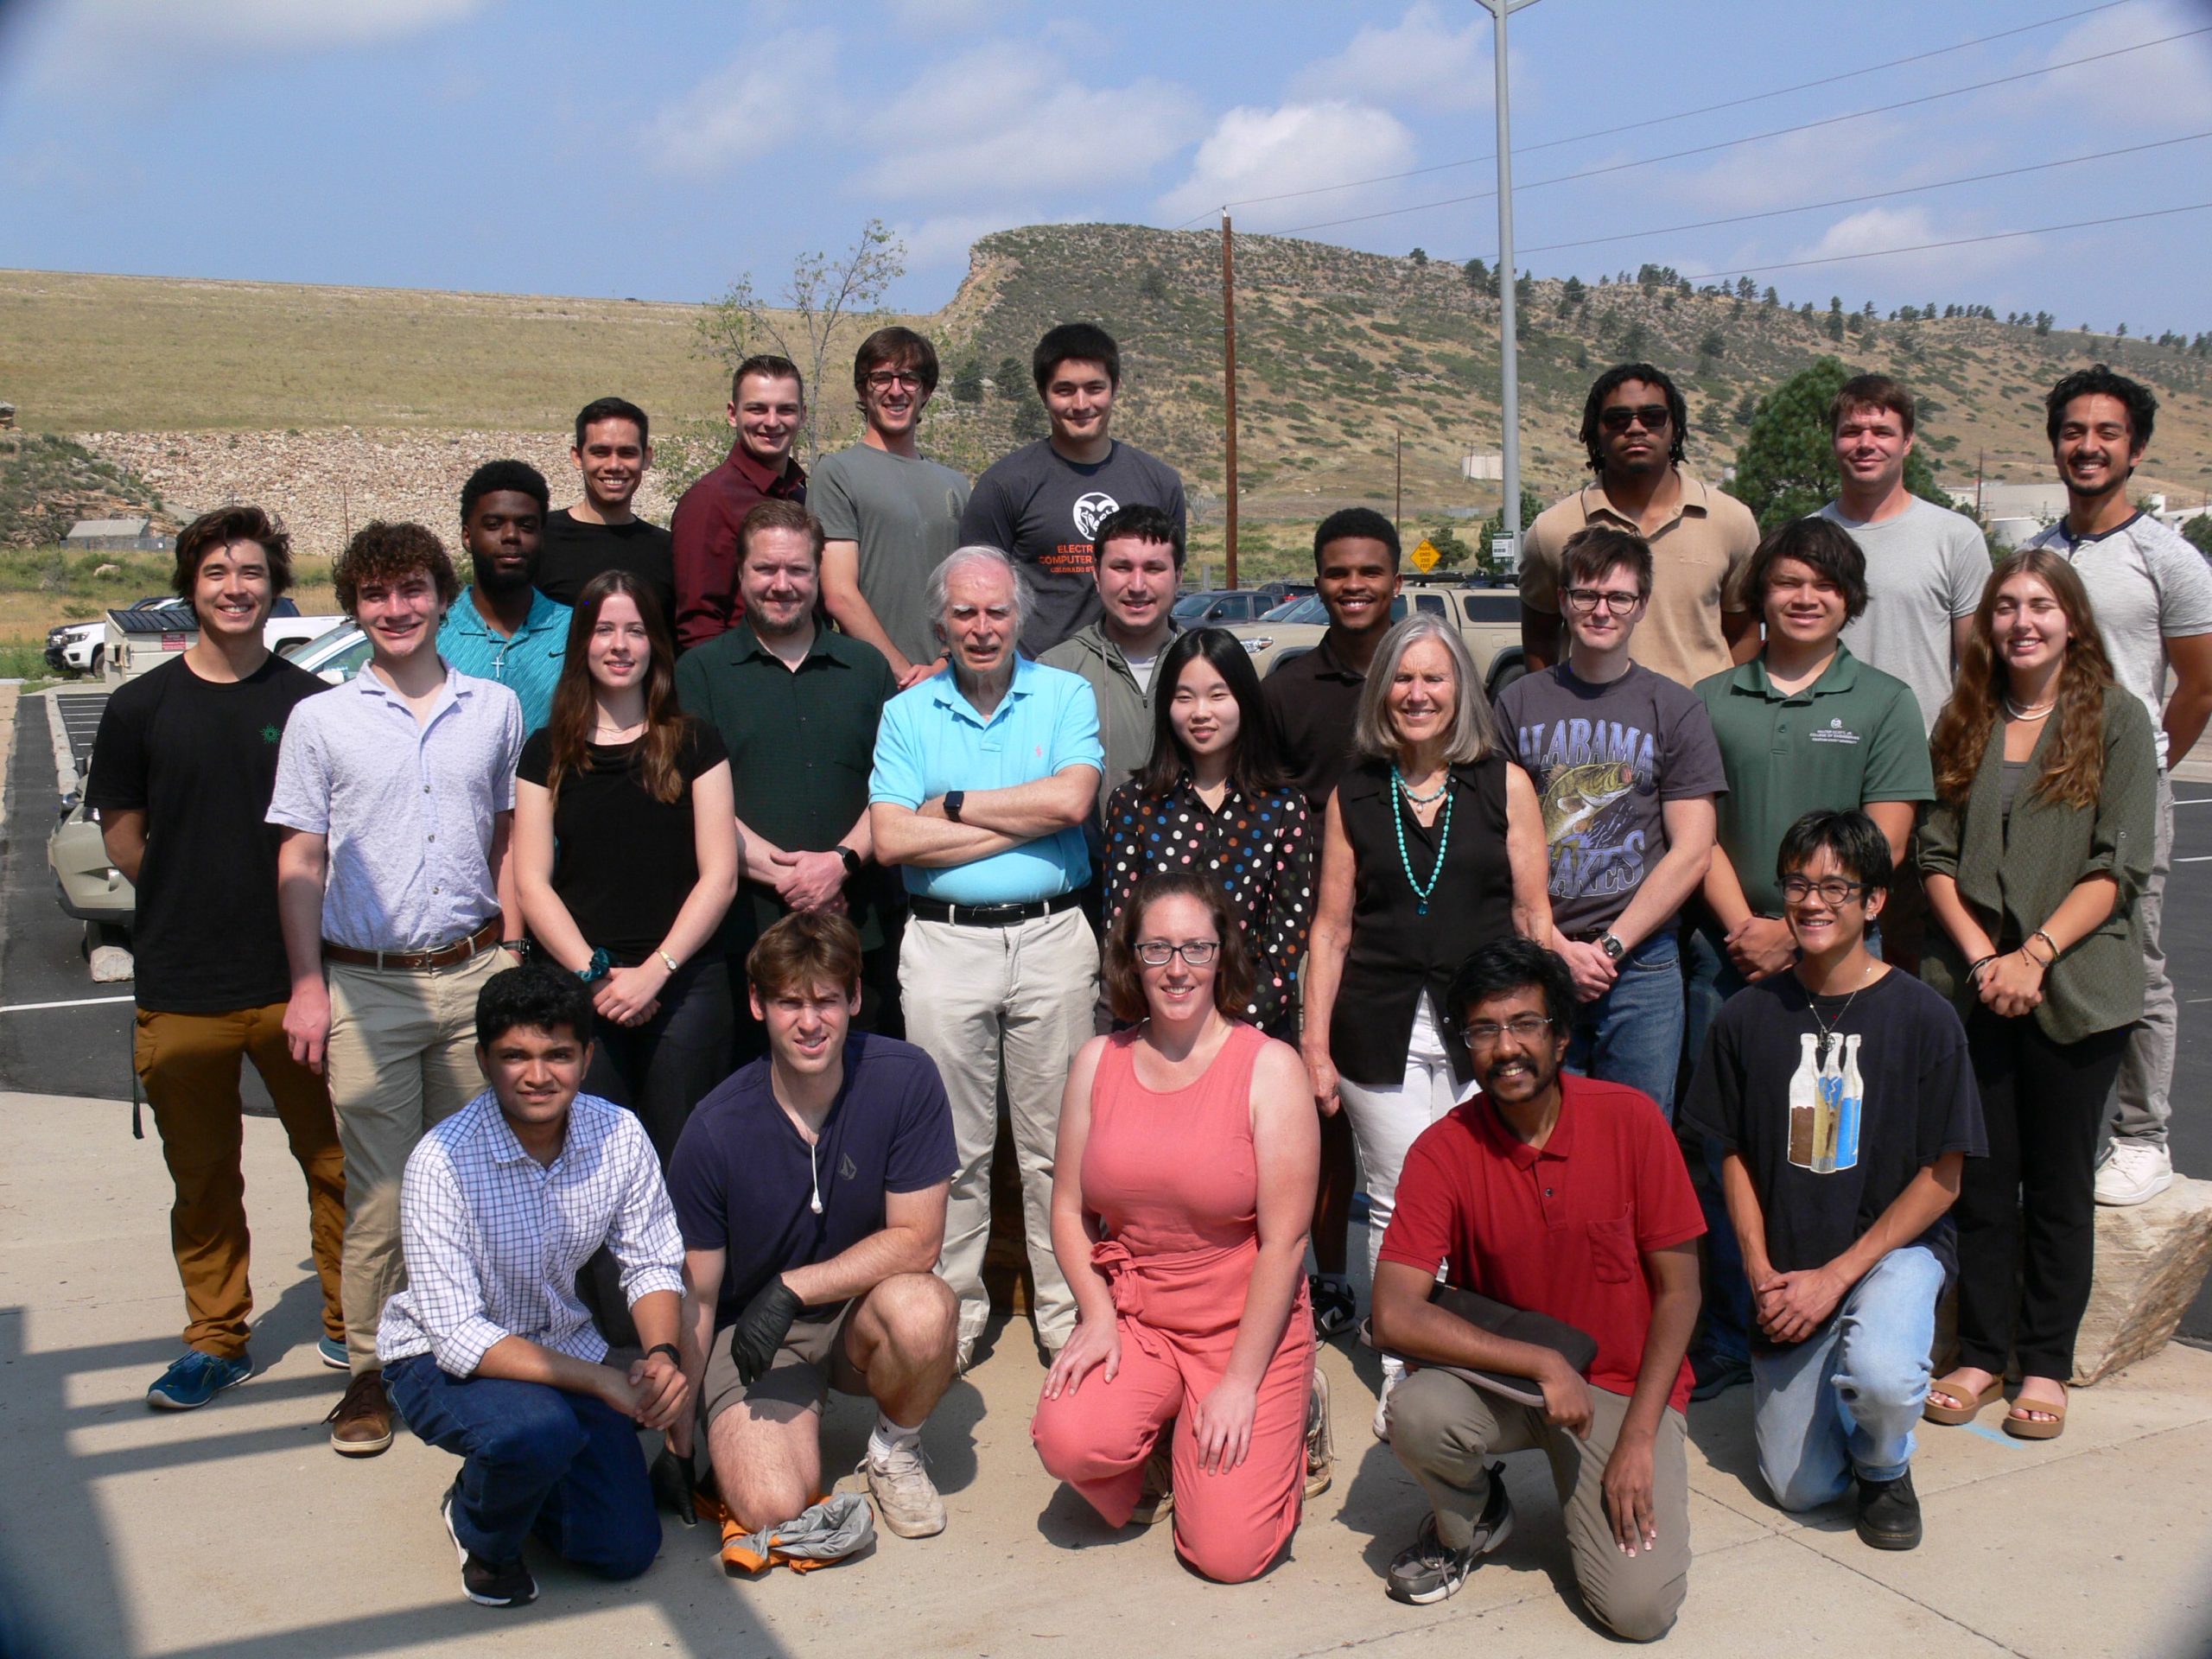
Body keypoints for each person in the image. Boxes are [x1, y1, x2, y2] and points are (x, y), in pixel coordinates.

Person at [269, 520, 526, 1458]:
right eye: (375, 594)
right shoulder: (321, 721)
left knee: (473, 1182)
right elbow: (301, 858)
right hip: (366, 988)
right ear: (353, 607)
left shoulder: (494, 709)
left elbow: (508, 840)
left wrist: (511, 954)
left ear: (442, 598)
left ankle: (467, 1347)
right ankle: (371, 1371)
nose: (395, 608)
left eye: (412, 589)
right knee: (380, 1193)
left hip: (472, 973)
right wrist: (307, 985)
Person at [89, 505, 346, 1408]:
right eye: (216, 573)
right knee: (202, 1180)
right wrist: (190, 893)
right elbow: (124, 837)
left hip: (298, 984)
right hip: (183, 986)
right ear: (189, 587)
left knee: (337, 1163)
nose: (235, 588)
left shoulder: (313, 704)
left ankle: (349, 1321)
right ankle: (216, 1339)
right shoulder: (139, 707)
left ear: (276, 587)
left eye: (251, 573)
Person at [1376, 938, 1701, 1635]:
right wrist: (1542, 1363)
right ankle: (1472, 1520)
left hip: (1620, 1391)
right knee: (1417, 1413)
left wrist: (1640, 1438)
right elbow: (1395, 1313)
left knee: (1638, 1612)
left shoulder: (1631, 1120)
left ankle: (1612, 1471)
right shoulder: (1443, 1150)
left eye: (1525, 1024)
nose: (1506, 1048)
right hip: (1509, 1383)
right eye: (1484, 1030)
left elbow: (1682, 1294)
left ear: (1561, 1035)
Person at [1681, 811, 1984, 1552]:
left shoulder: (1925, 1016)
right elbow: (1730, 1154)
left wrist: (1839, 1276)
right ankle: (1842, 1391)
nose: (1812, 903)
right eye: (1797, 885)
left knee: (1883, 1377)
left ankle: (1885, 1463)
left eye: (1835, 888)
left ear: (1874, 901)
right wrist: (1759, 1269)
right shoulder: (1747, 1016)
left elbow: (1944, 1177)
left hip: (1892, 1254)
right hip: (1790, 1265)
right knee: (1802, 1488)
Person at [1685, 517, 1933, 1396]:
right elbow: (1696, 829)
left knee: (1833, 1146)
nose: (1804, 597)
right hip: (1727, 960)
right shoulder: (1712, 699)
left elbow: (1887, 840)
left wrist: (1797, 930)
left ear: (1850, 600)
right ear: (1760, 592)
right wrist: (1748, 930)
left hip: (1842, 967)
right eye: (1788, 580)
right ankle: (1731, 1327)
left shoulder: (1884, 703)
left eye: (1824, 585)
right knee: (1725, 1149)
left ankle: (1840, 1312)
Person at [1917, 553, 2155, 1440]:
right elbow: (1934, 856)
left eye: (2042, 605)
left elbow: (2119, 863)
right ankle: (1982, 1354)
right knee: (1982, 1182)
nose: (2023, 622)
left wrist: (2037, 953)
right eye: (2007, 606)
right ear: (1987, 623)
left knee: (2056, 1188)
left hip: (2076, 986)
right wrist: (1987, 960)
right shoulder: (1965, 718)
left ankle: (2044, 1363)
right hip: (1975, 987)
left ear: (2073, 621)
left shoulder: (2116, 721)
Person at [1031, 874, 1319, 1585]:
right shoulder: (1098, 1061)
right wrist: (1096, 1314)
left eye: (1196, 947)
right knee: (1068, 1439)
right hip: (1139, 1319)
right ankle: (1164, 1437)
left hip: (1242, 1327)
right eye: (1156, 948)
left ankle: (1295, 1420)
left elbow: (1285, 1242)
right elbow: (1067, 1207)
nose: (1177, 967)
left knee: (1227, 1555)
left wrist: (1241, 1383)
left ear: (1223, 956)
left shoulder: (1269, 1068)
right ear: (1132, 959)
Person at [1300, 614, 1553, 1416]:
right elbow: (1331, 929)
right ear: (1382, 691)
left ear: (1461, 689)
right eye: (1402, 679)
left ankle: (1480, 1353)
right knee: (1401, 1193)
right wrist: (1314, 1045)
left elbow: (1533, 917)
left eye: (1434, 678)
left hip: (1489, 1031)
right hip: (1377, 1028)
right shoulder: (1353, 792)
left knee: (1485, 1193)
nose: (1418, 694)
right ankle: (1405, 1365)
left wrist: (1546, 1030)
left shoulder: (1504, 784)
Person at [378, 964, 689, 1608]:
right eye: (515, 1056)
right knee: (535, 1431)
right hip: (437, 1358)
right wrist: (603, 1380)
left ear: (588, 1058)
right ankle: (479, 1527)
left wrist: (661, 1355)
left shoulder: (618, 1133)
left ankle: (528, 1476)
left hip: (560, 1343)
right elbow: (458, 1336)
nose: (538, 1075)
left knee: (625, 1551)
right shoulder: (441, 1161)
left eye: (559, 1055)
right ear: (483, 1061)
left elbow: (652, 1261)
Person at [868, 545, 1103, 1364]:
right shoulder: (908, 713)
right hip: (944, 943)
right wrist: (1023, 822)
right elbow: (891, 838)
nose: (981, 627)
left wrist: (956, 806)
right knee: (955, 1149)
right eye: (963, 613)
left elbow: (1073, 801)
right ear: (941, 623)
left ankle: (1065, 1316)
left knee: (1056, 1148)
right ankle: (957, 1315)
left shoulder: (1065, 695)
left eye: (996, 611)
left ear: (1019, 617)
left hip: (1053, 938)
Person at [668, 911, 960, 1554]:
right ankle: (761, 1434)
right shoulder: (714, 1129)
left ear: (854, 997)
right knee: (770, 1506)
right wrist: (678, 1439)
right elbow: (699, 1298)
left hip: (859, 1312)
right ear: (757, 1004)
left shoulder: (905, 1078)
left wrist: (794, 1286)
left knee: (926, 1307)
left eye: (826, 1000)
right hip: (755, 1338)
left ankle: (894, 1449)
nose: (810, 1022)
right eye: (789, 1003)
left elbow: (918, 1240)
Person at [2021, 365, 2212, 1207]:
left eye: (2106, 432)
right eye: (2073, 431)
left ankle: (2143, 1137)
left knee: (2137, 958)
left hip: (2124, 791)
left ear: (2134, 449)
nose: (2088, 446)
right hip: (2037, 792)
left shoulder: (2167, 558)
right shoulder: (2037, 555)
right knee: (2040, 948)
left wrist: (2144, 772)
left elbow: (2198, 686)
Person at [1494, 524, 1723, 1116]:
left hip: (1643, 964)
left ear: (1642, 605)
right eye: (1586, 595)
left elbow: (1693, 850)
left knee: (1637, 1129)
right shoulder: (1518, 702)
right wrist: (1554, 945)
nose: (1602, 610)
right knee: (1539, 1124)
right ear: (1563, 600)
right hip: (1539, 954)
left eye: (1619, 597)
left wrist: (1612, 946)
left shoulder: (1675, 707)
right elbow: (1497, 837)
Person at [515, 570, 740, 1164]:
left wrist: (656, 971)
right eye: (604, 630)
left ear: (655, 644)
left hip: (685, 988)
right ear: (582, 644)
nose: (620, 646)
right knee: (589, 1167)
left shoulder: (696, 743)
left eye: (636, 631)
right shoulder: (546, 752)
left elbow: (720, 875)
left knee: (685, 1162)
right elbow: (531, 883)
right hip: (582, 989)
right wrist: (597, 975)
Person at [676, 501, 901, 1056]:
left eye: (798, 569)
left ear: (818, 572)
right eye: (766, 568)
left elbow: (897, 787)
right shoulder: (699, 673)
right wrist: (797, 881)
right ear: (740, 572)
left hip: (860, 927)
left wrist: (840, 864)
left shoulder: (867, 668)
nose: (782, 585)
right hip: (743, 932)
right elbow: (693, 801)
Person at [1261, 505, 1404, 1331]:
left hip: (1397, 929)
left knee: (1376, 1117)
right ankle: (1316, 1276)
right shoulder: (1287, 689)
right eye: (1338, 572)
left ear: (1396, 581)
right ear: (1317, 582)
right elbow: (1264, 811)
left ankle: (1379, 1278)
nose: (1354, 586)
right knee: (1310, 1115)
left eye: (1369, 572)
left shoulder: (1421, 677)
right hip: (1304, 930)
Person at [1103, 627, 1312, 1039]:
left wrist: (1232, 1030)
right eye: (1184, 697)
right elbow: (1121, 928)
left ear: (1245, 701)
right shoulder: (1133, 803)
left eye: (1218, 695)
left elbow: (1287, 936)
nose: (1201, 712)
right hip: (1155, 1024)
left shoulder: (1284, 806)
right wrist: (1164, 1022)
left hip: (1254, 1026)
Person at [1520, 362, 1760, 688]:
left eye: (1652, 416)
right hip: (1594, 718)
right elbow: (1539, 640)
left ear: (1675, 427)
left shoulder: (1731, 521)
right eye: (1618, 419)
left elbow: (1745, 634)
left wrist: (1728, 708)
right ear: (1595, 431)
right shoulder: (1552, 531)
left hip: (1701, 715)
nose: (1635, 428)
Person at [959, 322, 1187, 658]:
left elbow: (1167, 582)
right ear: (1042, 393)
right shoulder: (1005, 484)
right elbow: (971, 591)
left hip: (1139, 671)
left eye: (1094, 388)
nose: (1081, 404)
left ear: (1115, 387)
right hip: (1037, 673)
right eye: (1064, 390)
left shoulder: (1160, 483)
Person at [1818, 374, 1989, 734]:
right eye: (1852, 432)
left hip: (1926, 749)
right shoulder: (1806, 540)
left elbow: (1978, 667)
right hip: (1823, 743)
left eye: (1882, 432)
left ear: (1907, 441)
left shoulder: (1956, 537)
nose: (1866, 444)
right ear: (1833, 441)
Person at [815, 327, 972, 688]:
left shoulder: (956, 485)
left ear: (926, 391)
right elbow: (839, 594)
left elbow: (967, 589)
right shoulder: (837, 473)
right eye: (881, 378)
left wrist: (946, 663)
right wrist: (904, 675)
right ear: (862, 390)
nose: (896, 390)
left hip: (951, 680)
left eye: (909, 379)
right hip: (873, 683)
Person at [1041, 503, 1184, 831]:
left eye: (1154, 568)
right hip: (1091, 862)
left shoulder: (1208, 665)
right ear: (1096, 574)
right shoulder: (1055, 672)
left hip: (1195, 862)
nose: (1137, 585)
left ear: (1178, 577)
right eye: (1122, 567)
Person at [672, 353, 808, 652]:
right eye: (757, 409)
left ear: (802, 415)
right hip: (742, 670)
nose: (772, 422)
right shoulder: (710, 501)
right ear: (733, 414)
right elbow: (699, 625)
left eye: (785, 409)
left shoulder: (801, 495)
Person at [436, 460, 571, 734]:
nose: (511, 536)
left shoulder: (575, 630)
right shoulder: (435, 631)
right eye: (493, 524)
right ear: (467, 537)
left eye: (526, 526)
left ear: (542, 537)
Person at [537, 397, 678, 630]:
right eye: (600, 452)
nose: (614, 465)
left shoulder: (668, 551)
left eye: (627, 453)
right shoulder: (540, 540)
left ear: (647, 458)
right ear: (577, 457)